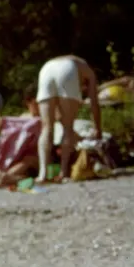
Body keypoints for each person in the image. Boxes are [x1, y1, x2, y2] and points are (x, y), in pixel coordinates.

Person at [35, 55, 102, 183]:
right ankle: (63, 172)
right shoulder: (89, 72)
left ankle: (42, 174)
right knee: (68, 127)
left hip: (46, 69)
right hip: (67, 69)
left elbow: (57, 115)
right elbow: (94, 103)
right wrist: (98, 128)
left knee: (46, 127)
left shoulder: (74, 61)